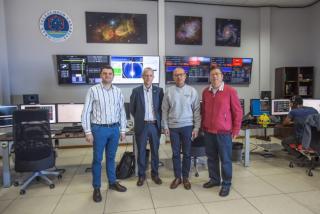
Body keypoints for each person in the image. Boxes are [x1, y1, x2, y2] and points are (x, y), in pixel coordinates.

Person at [81, 65, 127, 203]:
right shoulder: (93, 90)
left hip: (114, 129)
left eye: (110, 74)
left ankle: (112, 182)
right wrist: (88, 131)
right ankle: (96, 187)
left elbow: (122, 112)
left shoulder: (118, 91)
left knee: (111, 158)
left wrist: (123, 130)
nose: (107, 76)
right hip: (99, 129)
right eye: (105, 73)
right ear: (101, 75)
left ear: (113, 76)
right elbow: (86, 112)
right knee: (97, 159)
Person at [201, 67, 242, 197]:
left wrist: (236, 129)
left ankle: (226, 184)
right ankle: (214, 180)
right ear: (210, 77)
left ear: (222, 76)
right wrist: (203, 126)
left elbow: (237, 112)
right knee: (211, 158)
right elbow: (204, 111)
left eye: (217, 74)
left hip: (224, 132)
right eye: (212, 74)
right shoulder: (205, 92)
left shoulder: (230, 91)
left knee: (225, 159)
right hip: (208, 132)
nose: (215, 76)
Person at [162, 67, 200, 190]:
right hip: (173, 128)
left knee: (187, 153)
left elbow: (196, 111)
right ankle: (177, 177)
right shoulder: (169, 91)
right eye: (176, 75)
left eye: (181, 75)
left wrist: (197, 128)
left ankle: (185, 177)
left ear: (185, 76)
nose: (179, 77)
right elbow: (164, 110)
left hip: (188, 127)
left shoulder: (192, 91)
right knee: (175, 153)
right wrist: (165, 126)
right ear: (173, 77)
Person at [130, 67, 164, 187]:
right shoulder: (136, 91)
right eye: (146, 75)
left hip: (154, 125)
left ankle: (155, 174)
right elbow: (132, 109)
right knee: (141, 152)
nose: (148, 77)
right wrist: (139, 119)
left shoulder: (159, 91)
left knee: (155, 151)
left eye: (150, 75)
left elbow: (161, 109)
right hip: (142, 125)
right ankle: (141, 175)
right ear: (142, 77)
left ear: (153, 77)